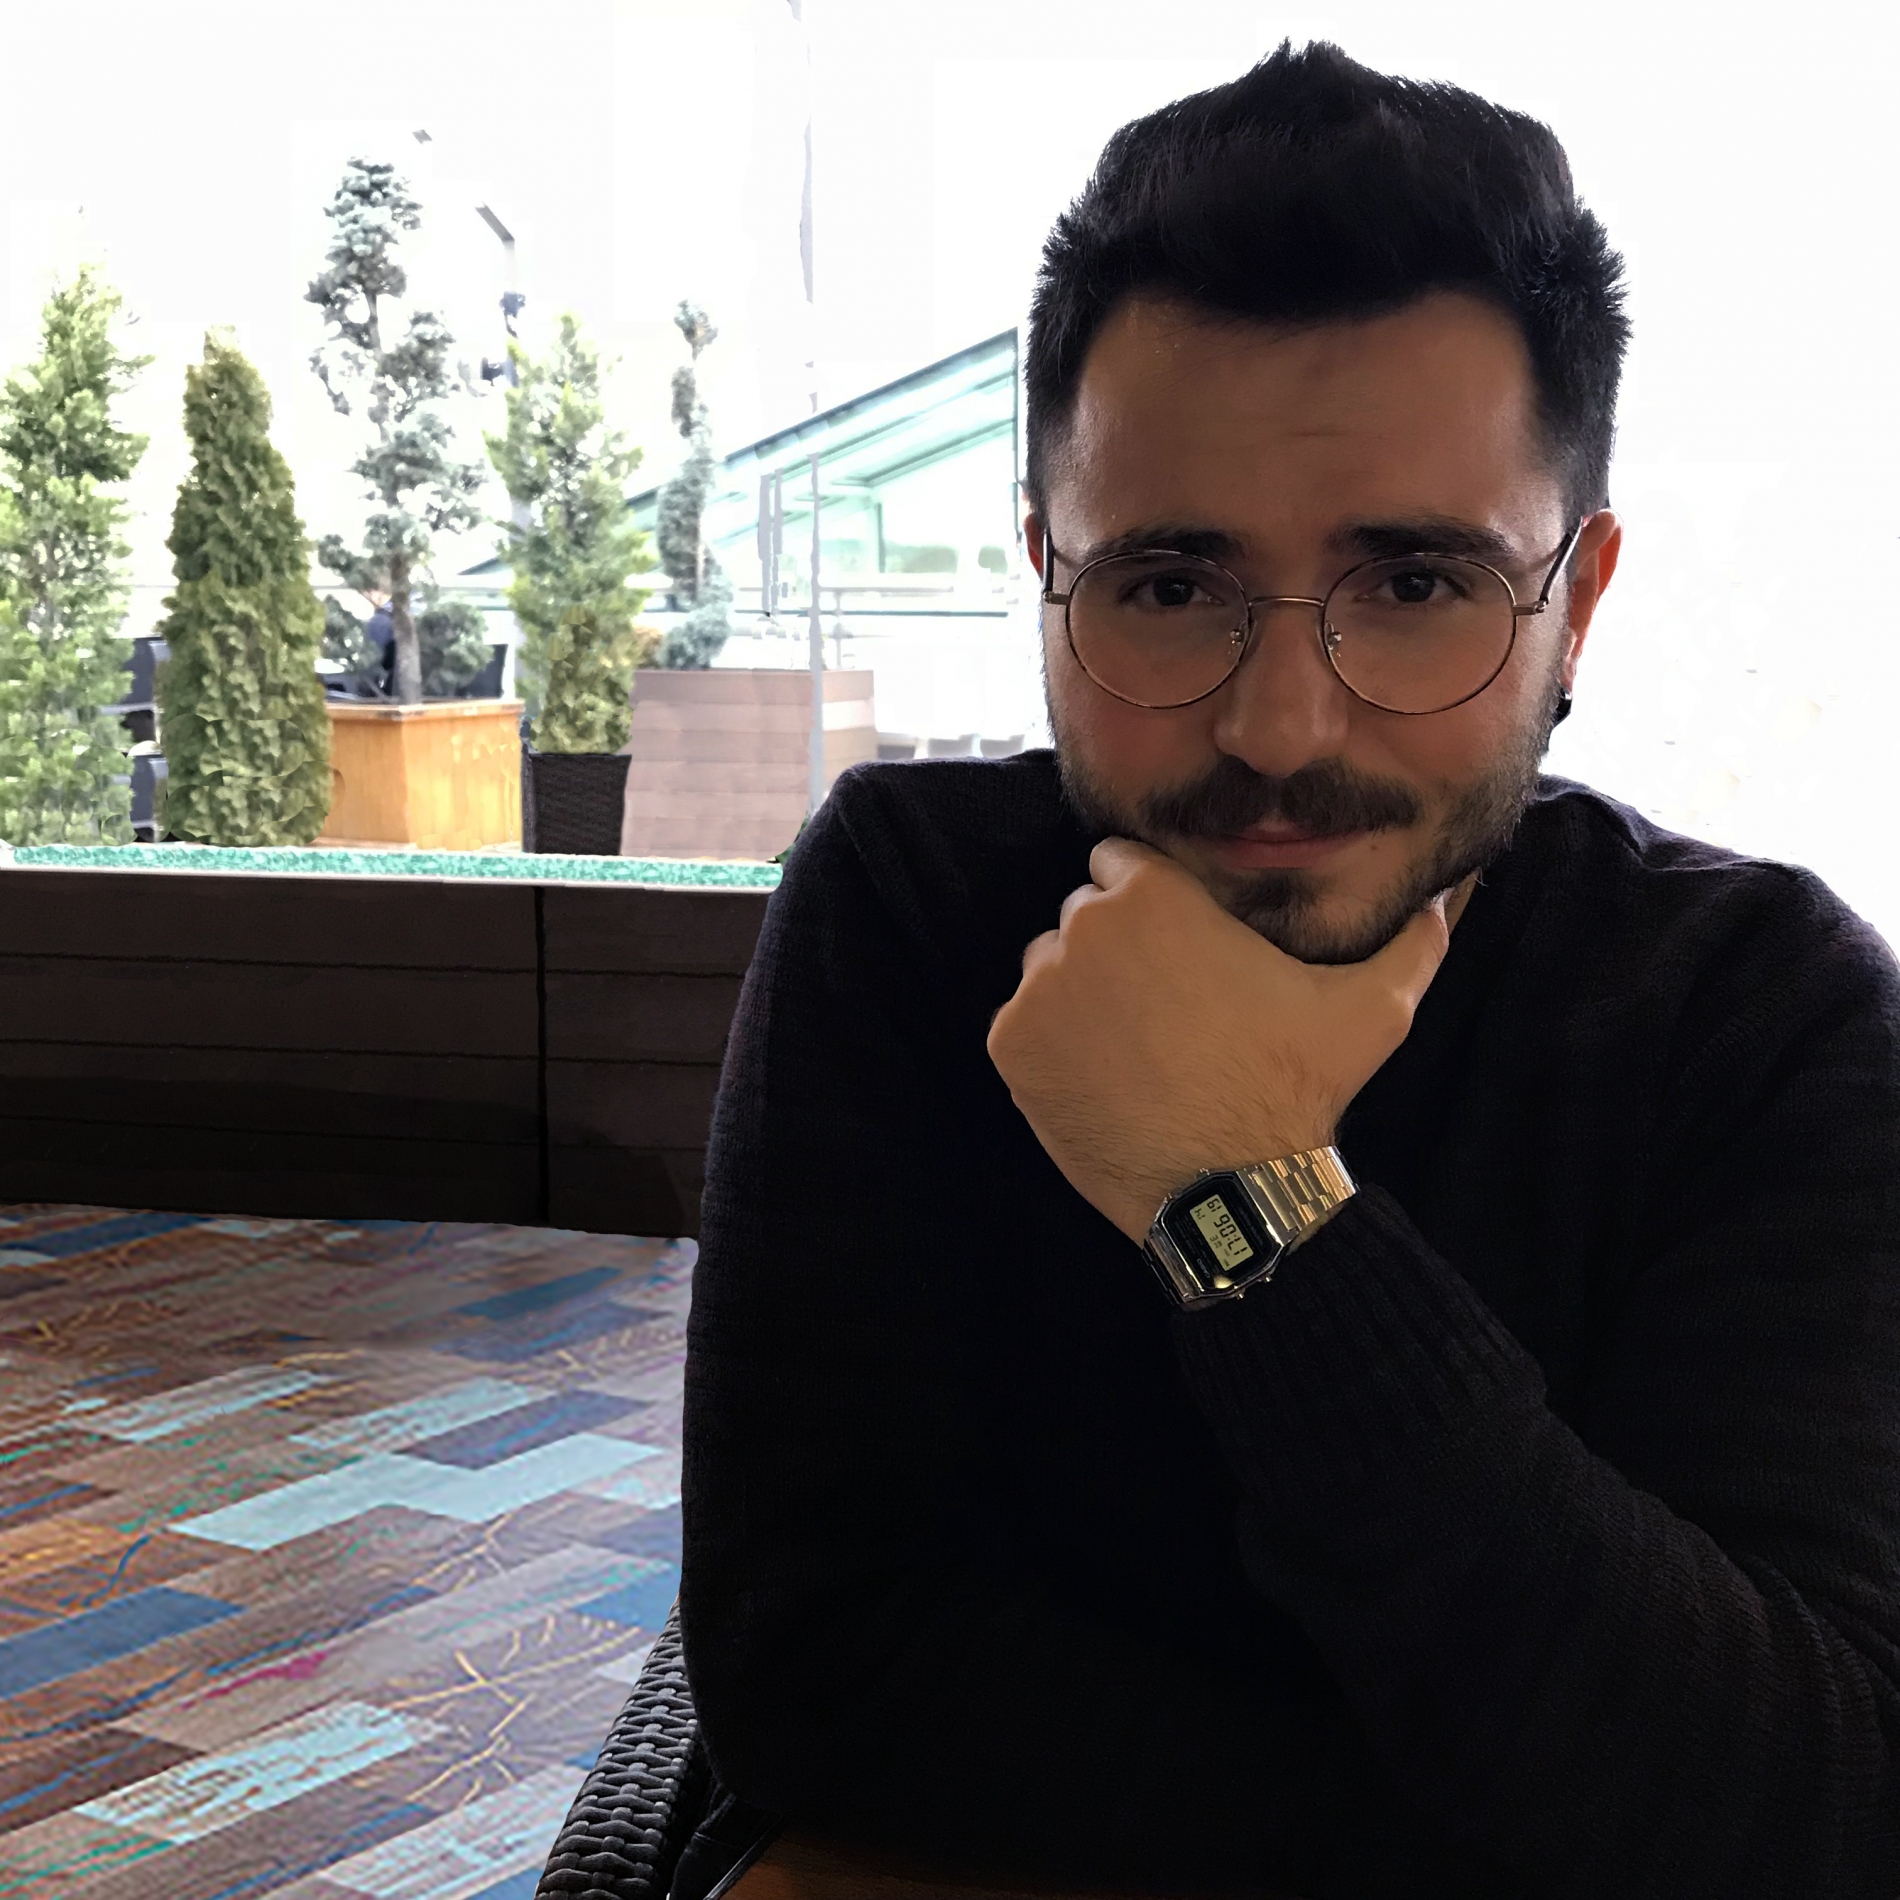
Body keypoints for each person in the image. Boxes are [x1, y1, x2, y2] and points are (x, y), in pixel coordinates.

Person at [678, 41, 1900, 1900]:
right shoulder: (910, 911)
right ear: (1047, 573)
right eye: (1172, 586)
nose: (1277, 728)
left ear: (1576, 601)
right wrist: (1513, 1813)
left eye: (1414, 585)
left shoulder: (1760, 1017)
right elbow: (814, 1670)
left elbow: (1809, 1802)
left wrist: (1247, 1202)